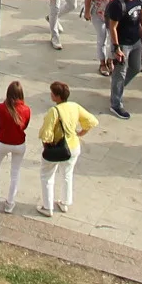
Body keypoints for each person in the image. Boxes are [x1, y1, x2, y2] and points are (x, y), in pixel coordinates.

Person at [38, 79, 98, 215]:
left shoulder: (54, 111)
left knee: (46, 176)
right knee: (67, 174)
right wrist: (80, 133)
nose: (51, 95)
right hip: (74, 146)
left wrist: (46, 146)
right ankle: (65, 203)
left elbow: (46, 134)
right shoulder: (74, 106)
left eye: (52, 93)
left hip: (57, 148)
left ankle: (48, 207)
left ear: (57, 96)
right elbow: (91, 121)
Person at [0, 80, 35, 213]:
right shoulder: (26, 110)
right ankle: (10, 203)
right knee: (15, 173)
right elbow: (25, 126)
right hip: (19, 144)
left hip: (1, 142)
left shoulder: (0, 108)